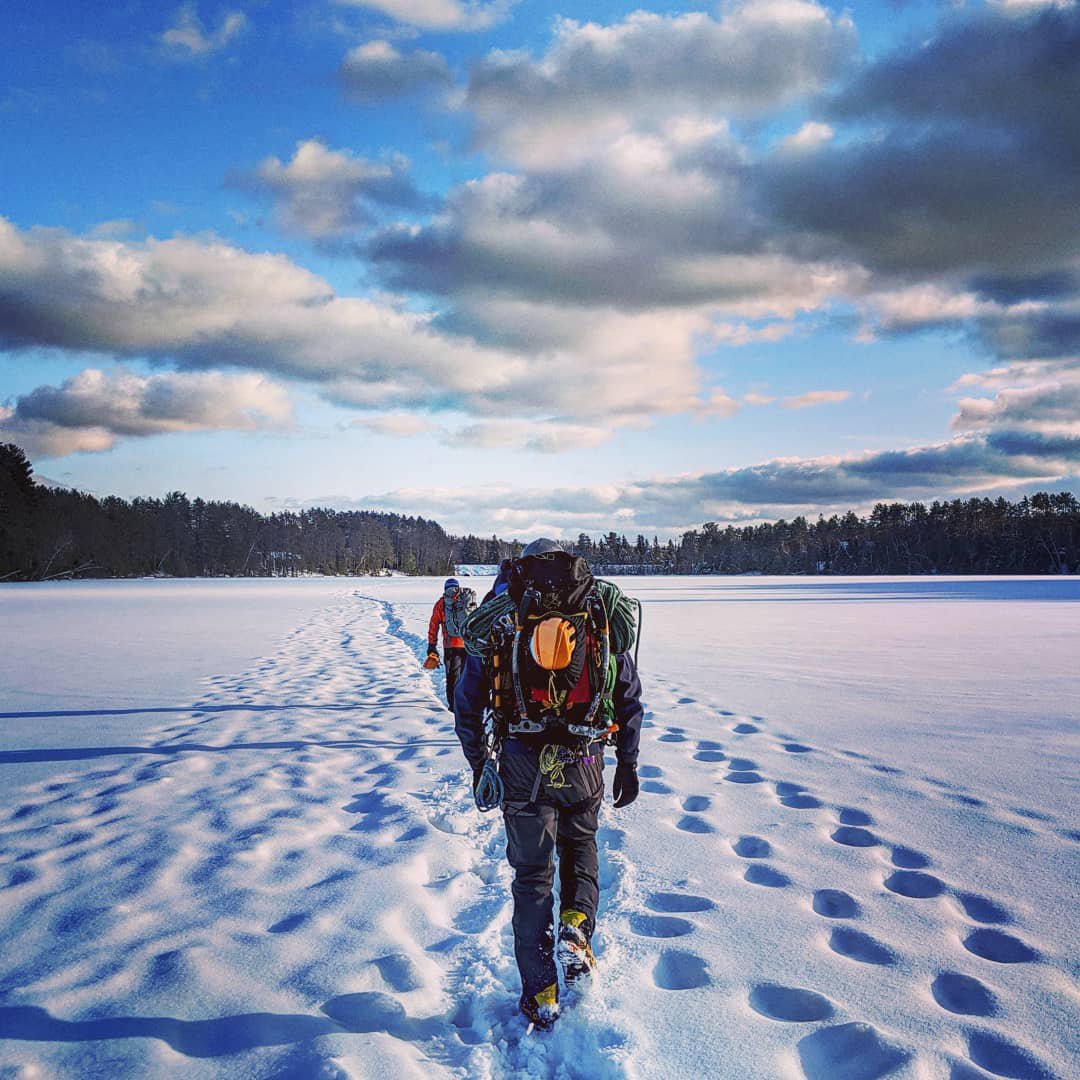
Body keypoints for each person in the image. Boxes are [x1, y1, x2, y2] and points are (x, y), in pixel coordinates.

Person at [453, 539, 642, 1030]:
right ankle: (577, 927)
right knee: (580, 849)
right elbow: (627, 691)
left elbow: (467, 702)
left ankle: (541, 994)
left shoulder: (502, 610)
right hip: (584, 758)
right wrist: (628, 761)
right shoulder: (596, 606)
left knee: (532, 879)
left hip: (520, 761)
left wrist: (480, 765)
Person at [427, 577, 473, 711]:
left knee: (452, 677)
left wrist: (432, 644)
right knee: (467, 675)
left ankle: (453, 707)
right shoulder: (466, 600)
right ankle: (466, 705)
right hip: (468, 645)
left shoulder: (441, 604)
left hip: (450, 646)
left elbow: (434, 625)